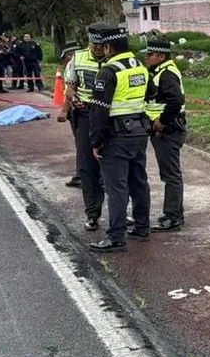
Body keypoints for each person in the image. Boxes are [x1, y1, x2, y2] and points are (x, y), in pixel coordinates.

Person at [86, 23, 152, 251]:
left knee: (116, 188)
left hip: (116, 137)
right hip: (139, 133)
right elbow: (151, 93)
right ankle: (142, 227)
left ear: (108, 47)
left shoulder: (109, 72)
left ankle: (116, 237)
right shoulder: (140, 66)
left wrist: (96, 142)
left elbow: (99, 110)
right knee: (139, 182)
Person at [142, 38, 186, 231]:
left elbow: (175, 101)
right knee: (169, 173)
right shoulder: (162, 71)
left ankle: (172, 217)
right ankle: (175, 213)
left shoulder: (166, 74)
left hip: (168, 130)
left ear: (161, 56)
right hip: (166, 130)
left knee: (170, 174)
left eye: (149, 55)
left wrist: (162, 121)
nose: (146, 58)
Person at [68, 33, 109, 225]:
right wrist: (73, 98)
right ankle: (92, 214)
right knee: (88, 166)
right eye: (95, 45)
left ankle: (121, 212)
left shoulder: (115, 59)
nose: (99, 48)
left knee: (116, 167)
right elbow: (70, 87)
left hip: (110, 116)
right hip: (86, 114)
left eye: (102, 45)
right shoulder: (78, 58)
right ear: (89, 43)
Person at [57, 44, 84, 188]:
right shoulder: (87, 63)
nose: (63, 62)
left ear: (68, 55)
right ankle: (82, 175)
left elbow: (70, 90)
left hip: (77, 109)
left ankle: (82, 176)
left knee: (82, 144)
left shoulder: (72, 65)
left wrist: (64, 110)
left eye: (63, 59)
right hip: (87, 109)